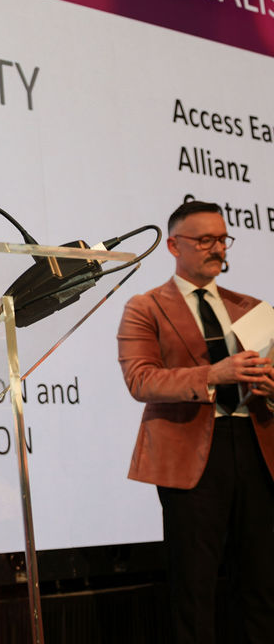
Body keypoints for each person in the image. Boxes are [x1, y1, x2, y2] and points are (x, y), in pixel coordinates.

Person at [117, 199, 274, 644]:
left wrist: (269, 387)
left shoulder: (252, 308)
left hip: (257, 447)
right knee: (194, 587)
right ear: (174, 246)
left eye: (222, 238)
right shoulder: (145, 307)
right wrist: (212, 375)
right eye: (204, 239)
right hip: (191, 455)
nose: (217, 248)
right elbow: (140, 380)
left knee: (262, 583)